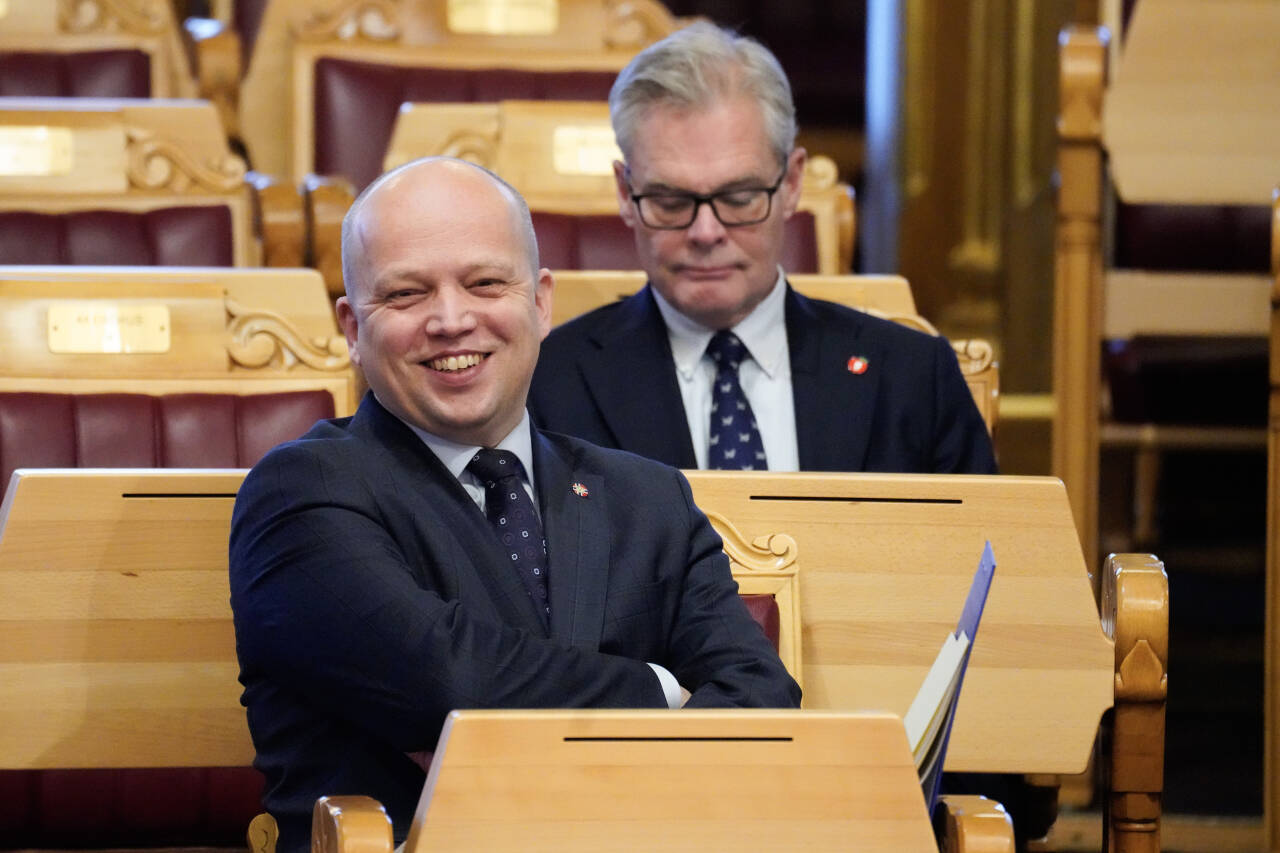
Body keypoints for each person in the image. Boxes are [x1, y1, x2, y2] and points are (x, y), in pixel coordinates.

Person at [228, 157, 800, 853]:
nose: (451, 319)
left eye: (485, 282)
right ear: (352, 326)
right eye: (407, 294)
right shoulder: (301, 494)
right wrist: (663, 691)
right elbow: (448, 677)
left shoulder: (649, 497)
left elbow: (760, 700)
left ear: (541, 301)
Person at [528, 22, 996, 474]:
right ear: (626, 194)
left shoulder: (913, 379)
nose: (706, 232)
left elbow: (988, 550)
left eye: (739, 198)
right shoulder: (546, 387)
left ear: (791, 184)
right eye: (671, 201)